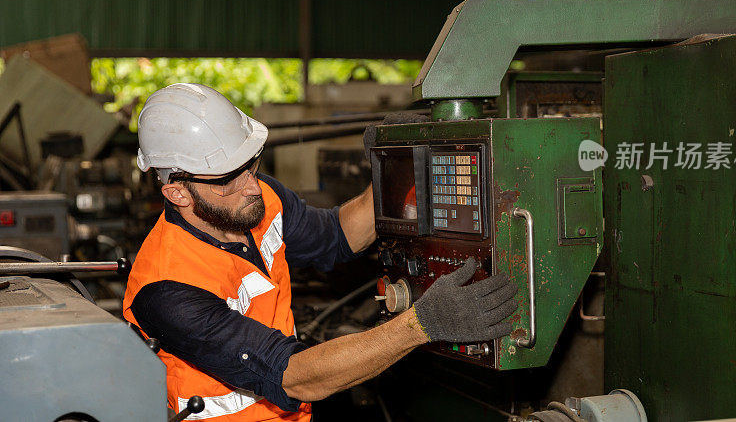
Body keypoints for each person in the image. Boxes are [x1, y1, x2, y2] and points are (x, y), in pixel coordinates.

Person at [122, 83, 518, 421]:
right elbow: (292, 374)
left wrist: (393, 167)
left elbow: (336, 235)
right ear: (177, 192)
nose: (252, 186)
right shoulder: (166, 289)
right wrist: (423, 324)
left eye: (251, 165)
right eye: (228, 178)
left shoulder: (259, 201)